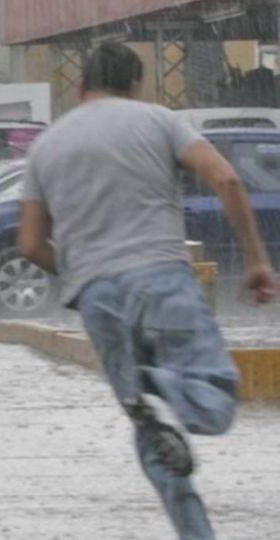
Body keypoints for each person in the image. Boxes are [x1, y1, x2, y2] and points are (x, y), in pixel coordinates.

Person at [18, 43, 277, 539]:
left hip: (97, 298)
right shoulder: (158, 120)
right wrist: (257, 260)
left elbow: (30, 243)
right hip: (162, 277)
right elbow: (225, 177)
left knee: (154, 438)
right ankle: (162, 389)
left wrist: (78, 273)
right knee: (215, 396)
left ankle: (194, 529)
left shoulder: (46, 145)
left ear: (80, 87)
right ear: (135, 84)